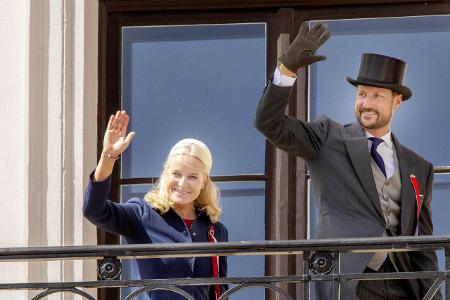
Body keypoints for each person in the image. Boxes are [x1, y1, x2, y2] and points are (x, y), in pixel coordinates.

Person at [254, 21, 440, 299]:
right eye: (362, 93)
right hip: (346, 281)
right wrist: (287, 69)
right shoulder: (327, 136)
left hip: (404, 285)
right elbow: (269, 124)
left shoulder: (419, 167)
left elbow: (423, 246)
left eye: (377, 96)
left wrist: (433, 294)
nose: (366, 103)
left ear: (397, 101)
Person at [83, 110, 228, 300]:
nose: (183, 183)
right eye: (176, 174)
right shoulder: (142, 214)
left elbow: (220, 291)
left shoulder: (216, 230)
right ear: (165, 174)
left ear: (204, 183)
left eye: (193, 177)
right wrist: (108, 156)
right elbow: (95, 211)